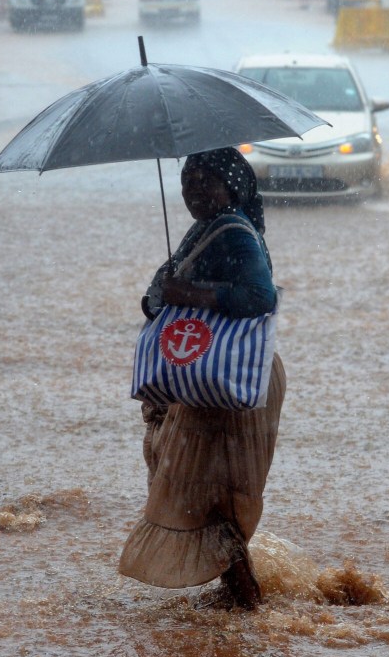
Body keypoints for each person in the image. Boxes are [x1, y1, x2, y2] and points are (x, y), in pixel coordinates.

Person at [118, 147, 286, 610]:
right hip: (206, 378)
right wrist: (166, 292)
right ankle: (245, 603)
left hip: (226, 382)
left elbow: (260, 295)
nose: (192, 190)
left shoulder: (233, 232)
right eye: (187, 180)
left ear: (231, 185)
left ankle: (250, 608)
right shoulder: (205, 231)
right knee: (195, 489)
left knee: (203, 493)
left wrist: (189, 292)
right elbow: (157, 298)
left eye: (203, 180)